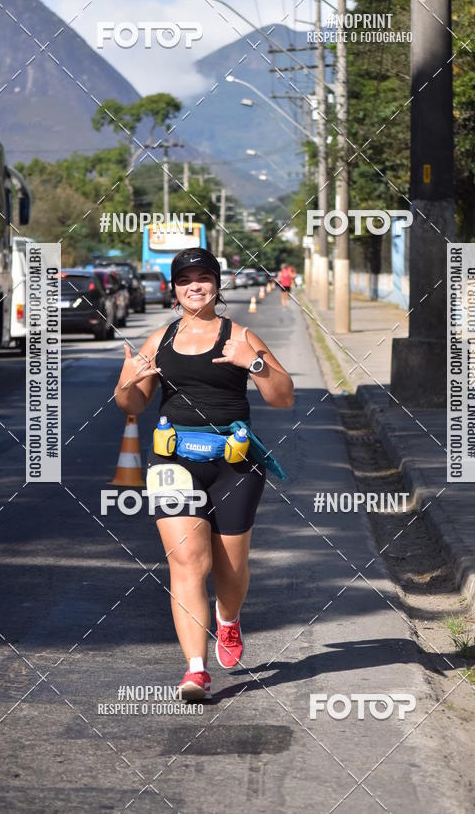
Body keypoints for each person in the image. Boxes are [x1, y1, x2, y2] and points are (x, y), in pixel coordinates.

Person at [114, 247, 294, 700]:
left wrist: (251, 362)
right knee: (188, 562)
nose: (195, 286)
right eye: (185, 279)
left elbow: (283, 396)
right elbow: (131, 407)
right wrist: (129, 380)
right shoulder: (158, 340)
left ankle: (228, 620)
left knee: (230, 568)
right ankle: (196, 670)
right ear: (174, 290)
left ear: (217, 284)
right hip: (173, 463)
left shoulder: (240, 335)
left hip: (234, 464)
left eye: (204, 277)